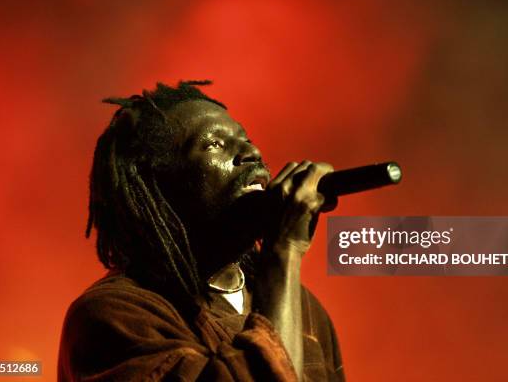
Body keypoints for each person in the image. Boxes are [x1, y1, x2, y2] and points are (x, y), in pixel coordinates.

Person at [58, 80, 345, 381]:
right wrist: (283, 250)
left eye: (245, 139)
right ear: (161, 187)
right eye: (214, 144)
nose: (252, 152)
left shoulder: (302, 307)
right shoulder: (113, 315)